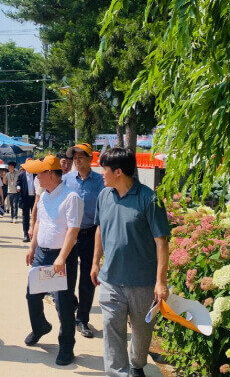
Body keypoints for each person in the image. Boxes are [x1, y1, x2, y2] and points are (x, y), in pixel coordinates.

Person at [90, 147, 170, 377]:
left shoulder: (149, 199)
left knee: (142, 333)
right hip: (110, 280)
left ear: (118, 172)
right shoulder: (104, 196)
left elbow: (161, 242)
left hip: (142, 283)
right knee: (111, 330)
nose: (101, 173)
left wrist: (160, 282)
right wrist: (96, 262)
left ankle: (137, 364)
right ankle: (118, 373)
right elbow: (100, 229)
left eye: (104, 169)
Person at [23, 155, 83, 366]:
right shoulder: (46, 196)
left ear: (50, 173)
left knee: (64, 303)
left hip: (61, 257)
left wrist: (61, 257)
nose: (36, 177)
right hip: (42, 254)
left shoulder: (71, 197)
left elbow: (73, 231)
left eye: (38, 173)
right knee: (32, 295)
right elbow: (40, 221)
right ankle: (40, 326)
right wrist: (32, 247)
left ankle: (66, 346)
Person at [63, 143, 105, 338]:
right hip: (69, 235)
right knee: (67, 277)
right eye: (75, 157)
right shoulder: (65, 180)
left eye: (82, 156)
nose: (77, 160)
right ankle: (70, 306)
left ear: (90, 159)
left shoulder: (101, 181)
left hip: (90, 233)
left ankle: (82, 319)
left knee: (88, 279)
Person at [17, 160, 37, 243]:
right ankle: (26, 234)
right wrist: (18, 187)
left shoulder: (36, 175)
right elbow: (18, 183)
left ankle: (35, 234)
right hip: (25, 198)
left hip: (35, 198)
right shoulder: (21, 175)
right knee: (25, 217)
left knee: (35, 216)